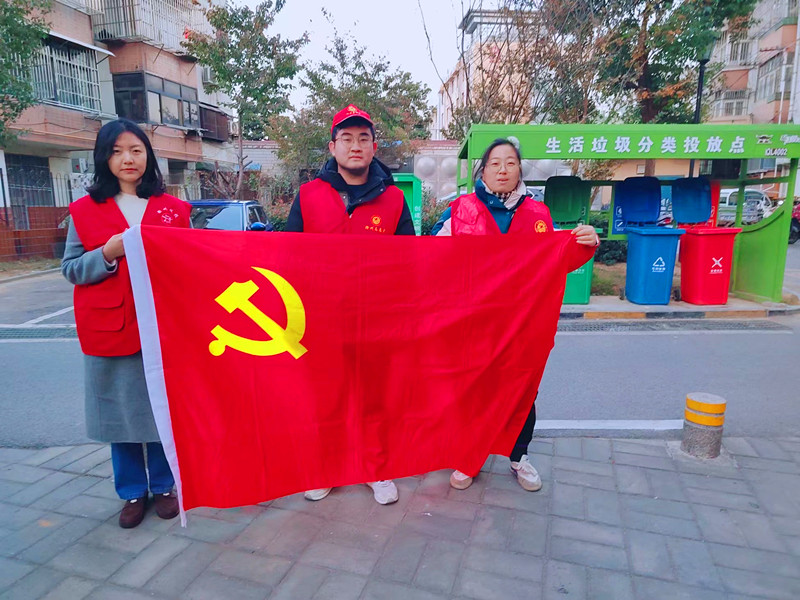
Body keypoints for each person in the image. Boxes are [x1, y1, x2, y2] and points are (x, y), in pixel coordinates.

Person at [432, 137, 598, 492]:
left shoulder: (538, 215)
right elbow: (431, 256)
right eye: (495, 163)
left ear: (520, 169)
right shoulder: (460, 211)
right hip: (474, 324)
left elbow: (556, 258)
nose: (503, 169)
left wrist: (584, 241)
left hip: (523, 323)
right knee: (473, 391)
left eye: (510, 162)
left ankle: (518, 455)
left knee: (522, 389)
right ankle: (469, 456)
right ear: (483, 171)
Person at [61, 119, 191, 528]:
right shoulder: (84, 211)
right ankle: (132, 492)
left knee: (161, 413)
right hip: (110, 328)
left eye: (136, 150)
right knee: (120, 418)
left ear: (148, 156)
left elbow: (193, 263)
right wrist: (108, 252)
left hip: (162, 328)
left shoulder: (173, 209)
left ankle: (166, 486)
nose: (127, 159)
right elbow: (71, 268)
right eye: (116, 151)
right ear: (104, 158)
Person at [286, 104, 415, 504]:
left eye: (363, 138)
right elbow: (287, 258)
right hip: (321, 321)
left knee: (373, 399)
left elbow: (410, 263)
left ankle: (374, 468)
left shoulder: (394, 200)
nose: (355, 145)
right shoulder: (309, 196)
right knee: (325, 398)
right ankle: (326, 468)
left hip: (376, 321)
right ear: (332, 146)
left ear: (374, 147)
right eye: (346, 138)